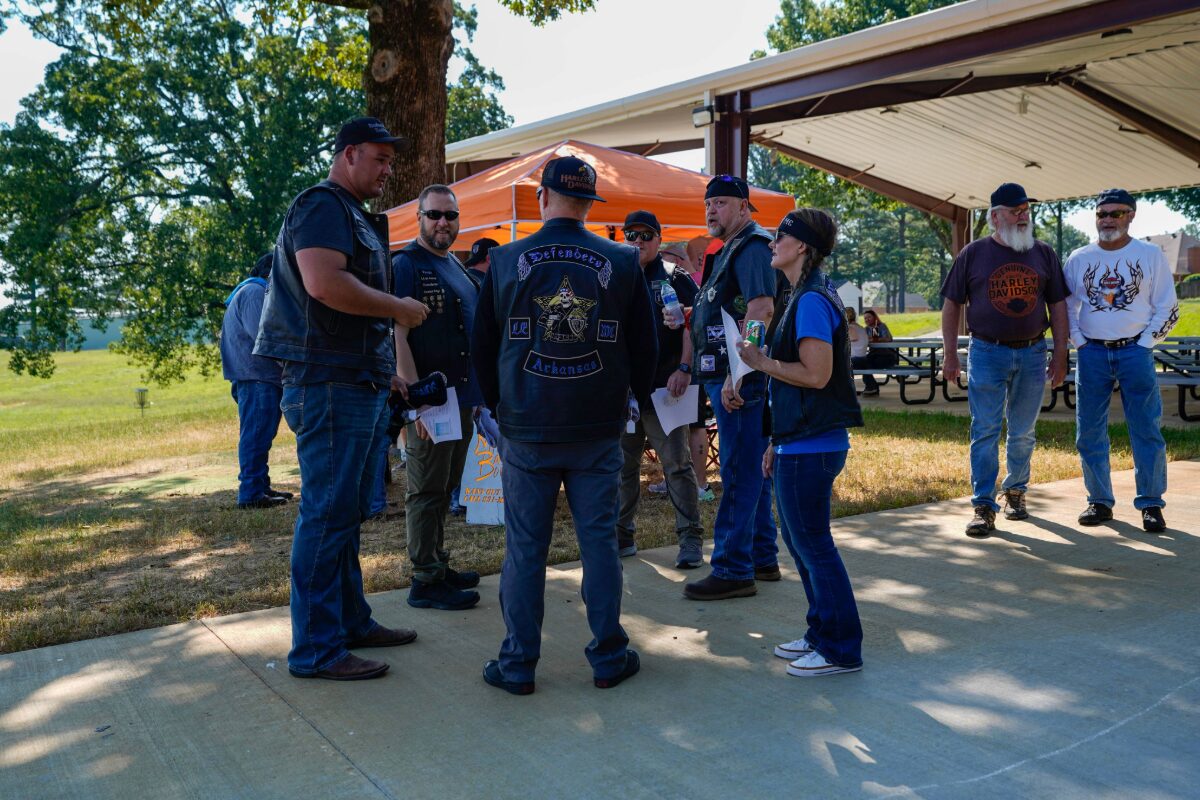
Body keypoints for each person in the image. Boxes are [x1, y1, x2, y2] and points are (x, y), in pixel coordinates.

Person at [472, 156, 657, 694]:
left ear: (542, 198)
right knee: (599, 543)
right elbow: (644, 349)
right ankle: (607, 656)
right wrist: (628, 398)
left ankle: (518, 665)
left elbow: (482, 347)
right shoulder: (623, 260)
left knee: (525, 548)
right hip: (597, 424)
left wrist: (495, 408)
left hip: (526, 426)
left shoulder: (505, 260)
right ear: (589, 204)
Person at [255, 117, 430, 681]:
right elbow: (324, 285)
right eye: (379, 159)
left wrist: (388, 373)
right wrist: (398, 308)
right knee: (328, 516)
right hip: (327, 382)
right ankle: (315, 650)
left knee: (346, 515)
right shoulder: (322, 205)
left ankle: (351, 622)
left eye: (389, 160)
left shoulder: (349, 212)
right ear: (348, 154)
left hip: (353, 378)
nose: (387, 169)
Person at [737, 208, 865, 677]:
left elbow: (817, 374)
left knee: (814, 545)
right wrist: (776, 440)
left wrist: (759, 361)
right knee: (801, 541)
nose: (772, 242)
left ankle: (840, 648)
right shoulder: (801, 294)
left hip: (814, 445)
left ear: (802, 247)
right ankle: (820, 633)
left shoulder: (810, 299)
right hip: (799, 441)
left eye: (781, 236)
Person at [940, 182, 1069, 538]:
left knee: (1023, 431)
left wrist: (1061, 353)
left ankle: (1016, 491)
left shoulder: (1043, 253)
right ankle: (983, 504)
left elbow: (1057, 304)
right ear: (996, 217)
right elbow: (952, 304)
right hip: (986, 351)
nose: (1023, 216)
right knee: (984, 429)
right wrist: (950, 354)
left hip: (1032, 352)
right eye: (1015, 211)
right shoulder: (973, 254)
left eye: (1026, 210)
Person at [683, 175, 781, 601]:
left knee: (738, 473)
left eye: (720, 203)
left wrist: (739, 370)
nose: (711, 210)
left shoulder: (753, 246)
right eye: (708, 203)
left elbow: (761, 308)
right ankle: (761, 557)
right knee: (748, 470)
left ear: (744, 208)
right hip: (726, 378)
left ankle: (733, 568)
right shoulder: (729, 250)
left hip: (739, 382)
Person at [391, 184, 484, 610]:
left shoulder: (459, 269)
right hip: (430, 400)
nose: (443, 222)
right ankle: (424, 580)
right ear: (420, 218)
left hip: (461, 399)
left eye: (450, 215)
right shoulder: (406, 265)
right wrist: (416, 403)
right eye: (434, 215)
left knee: (445, 487)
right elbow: (397, 333)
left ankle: (437, 563)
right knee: (425, 489)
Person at [1064, 188, 1179, 532]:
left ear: (1131, 215)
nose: (1108, 220)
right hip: (1092, 353)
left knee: (1146, 428)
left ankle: (1151, 504)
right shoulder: (1079, 258)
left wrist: (1145, 342)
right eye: (1102, 214)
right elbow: (1066, 307)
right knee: (1089, 430)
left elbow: (1167, 306)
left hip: (1135, 351)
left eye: (1116, 213)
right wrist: (1079, 341)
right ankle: (1098, 501)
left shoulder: (1149, 254)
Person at [615, 210, 704, 569]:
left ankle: (691, 541)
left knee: (678, 467)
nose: (638, 242)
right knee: (622, 468)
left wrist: (685, 367)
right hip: (625, 395)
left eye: (646, 236)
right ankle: (621, 538)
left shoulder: (675, 276)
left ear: (658, 238)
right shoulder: (615, 276)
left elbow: (694, 325)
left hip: (666, 389)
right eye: (631, 235)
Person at [220, 252, 290, 509]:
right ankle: (250, 493)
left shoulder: (251, 291)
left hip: (257, 377)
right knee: (256, 434)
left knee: (261, 433)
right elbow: (265, 337)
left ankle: (260, 485)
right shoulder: (254, 292)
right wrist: (290, 363)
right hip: (257, 377)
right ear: (271, 272)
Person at [857, 308, 894, 396]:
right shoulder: (866, 329)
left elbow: (888, 339)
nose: (867, 320)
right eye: (865, 318)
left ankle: (871, 387)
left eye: (869, 317)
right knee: (862, 363)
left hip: (886, 356)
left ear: (874, 317)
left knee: (865, 364)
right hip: (873, 355)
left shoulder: (881, 326)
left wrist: (875, 339)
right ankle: (871, 387)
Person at [844, 307, 870, 395]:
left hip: (856, 360)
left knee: (838, 364)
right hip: (863, 359)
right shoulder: (860, 328)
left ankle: (848, 390)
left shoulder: (850, 328)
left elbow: (851, 339)